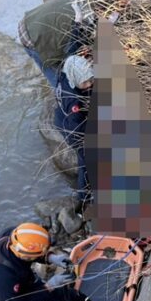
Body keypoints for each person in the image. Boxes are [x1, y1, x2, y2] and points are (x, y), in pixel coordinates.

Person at [18, 0, 93, 85]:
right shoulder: (87, 24)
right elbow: (71, 53)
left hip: (31, 19)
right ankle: (62, 95)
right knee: (58, 78)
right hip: (31, 36)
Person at [54, 54, 94, 209]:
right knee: (85, 160)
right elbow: (78, 130)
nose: (90, 84)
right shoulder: (74, 102)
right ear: (75, 80)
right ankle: (84, 198)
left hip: (68, 118)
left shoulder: (67, 75)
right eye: (86, 82)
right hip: (71, 129)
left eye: (91, 79)